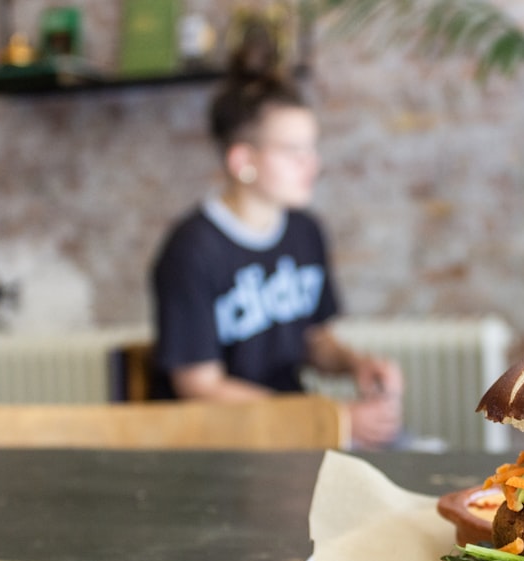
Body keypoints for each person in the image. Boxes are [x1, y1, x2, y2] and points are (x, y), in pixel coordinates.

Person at [150, 62, 404, 449]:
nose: (312, 164)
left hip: (296, 434)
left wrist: (355, 365)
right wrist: (329, 418)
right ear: (243, 162)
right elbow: (200, 386)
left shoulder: (306, 232)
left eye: (312, 148)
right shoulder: (191, 250)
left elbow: (314, 340)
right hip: (223, 446)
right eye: (293, 151)